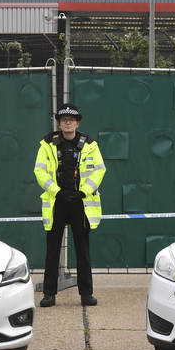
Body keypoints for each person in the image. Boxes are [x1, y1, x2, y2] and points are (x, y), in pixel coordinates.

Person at [33, 102, 106, 307]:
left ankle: (86, 294)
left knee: (83, 250)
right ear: (58, 123)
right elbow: (39, 172)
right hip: (57, 202)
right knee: (52, 250)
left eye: (71, 120)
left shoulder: (90, 144)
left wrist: (84, 191)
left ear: (77, 122)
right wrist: (57, 192)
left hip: (80, 203)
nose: (67, 123)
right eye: (63, 120)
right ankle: (49, 294)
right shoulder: (47, 143)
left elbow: (100, 170)